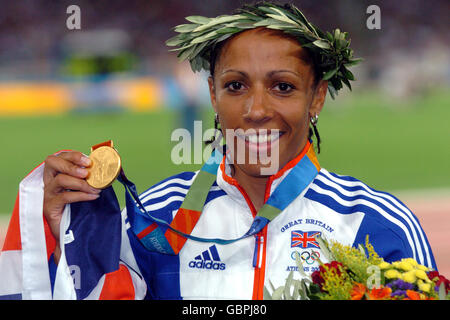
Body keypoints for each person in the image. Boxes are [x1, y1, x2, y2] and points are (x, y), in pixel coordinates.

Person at [0, 2, 436, 300]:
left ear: (317, 97)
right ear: (211, 93)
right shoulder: (154, 219)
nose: (256, 110)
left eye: (283, 87)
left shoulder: (380, 226)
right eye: (235, 86)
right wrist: (60, 237)